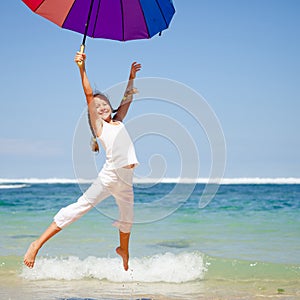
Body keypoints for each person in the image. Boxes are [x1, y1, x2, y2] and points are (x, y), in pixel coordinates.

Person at [24, 51, 141, 271]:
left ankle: (123, 250)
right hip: (110, 176)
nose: (102, 107)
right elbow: (88, 95)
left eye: (105, 103)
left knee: (128, 218)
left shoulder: (118, 121)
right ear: (93, 114)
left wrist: (131, 77)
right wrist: (81, 68)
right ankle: (36, 244)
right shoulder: (101, 128)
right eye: (97, 107)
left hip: (126, 180)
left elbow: (127, 99)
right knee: (80, 208)